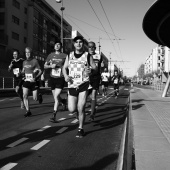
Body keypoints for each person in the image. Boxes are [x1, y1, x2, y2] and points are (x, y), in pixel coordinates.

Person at [62, 36, 96, 138]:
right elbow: (64, 68)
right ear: (74, 44)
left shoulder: (87, 55)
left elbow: (95, 68)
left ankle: (80, 128)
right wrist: (66, 76)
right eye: (76, 42)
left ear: (83, 44)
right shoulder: (70, 55)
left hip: (83, 84)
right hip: (72, 84)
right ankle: (77, 113)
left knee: (81, 107)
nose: (78, 44)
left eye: (81, 42)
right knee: (72, 109)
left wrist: (91, 70)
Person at [44, 41, 67, 122]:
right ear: (54, 47)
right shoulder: (50, 55)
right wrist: (50, 66)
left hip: (60, 78)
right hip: (52, 78)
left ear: (61, 47)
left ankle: (54, 115)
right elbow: (45, 66)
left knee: (56, 97)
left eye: (59, 45)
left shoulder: (65, 56)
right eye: (56, 45)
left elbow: (68, 66)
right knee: (56, 97)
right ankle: (63, 101)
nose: (57, 46)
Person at [22, 47, 43, 117]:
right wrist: (21, 74)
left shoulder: (35, 61)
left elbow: (40, 71)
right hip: (27, 81)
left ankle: (39, 97)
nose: (27, 54)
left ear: (31, 53)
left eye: (29, 52)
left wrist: (36, 77)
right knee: (24, 95)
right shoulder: (24, 62)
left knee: (35, 99)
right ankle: (28, 111)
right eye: (26, 52)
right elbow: (23, 71)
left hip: (34, 82)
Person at [87, 41, 103, 121]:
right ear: (87, 48)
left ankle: (92, 114)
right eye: (89, 47)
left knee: (93, 95)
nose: (91, 48)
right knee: (87, 96)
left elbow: (100, 66)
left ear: (95, 48)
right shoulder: (85, 56)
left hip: (96, 77)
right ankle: (93, 106)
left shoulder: (99, 56)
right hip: (87, 77)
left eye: (93, 47)